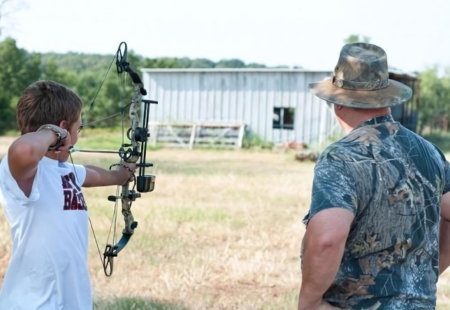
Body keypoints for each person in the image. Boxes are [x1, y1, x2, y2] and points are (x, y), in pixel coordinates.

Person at [298, 43, 450, 309]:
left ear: (337, 103)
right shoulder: (430, 153)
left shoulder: (341, 158)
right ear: (387, 101)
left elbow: (326, 240)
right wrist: (422, 278)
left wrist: (309, 303)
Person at [0, 80, 135, 309]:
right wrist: (54, 133)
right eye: (77, 128)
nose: (77, 137)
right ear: (62, 128)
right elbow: (25, 149)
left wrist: (124, 172)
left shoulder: (66, 171)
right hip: (33, 302)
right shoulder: (22, 173)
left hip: (71, 299)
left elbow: (95, 174)